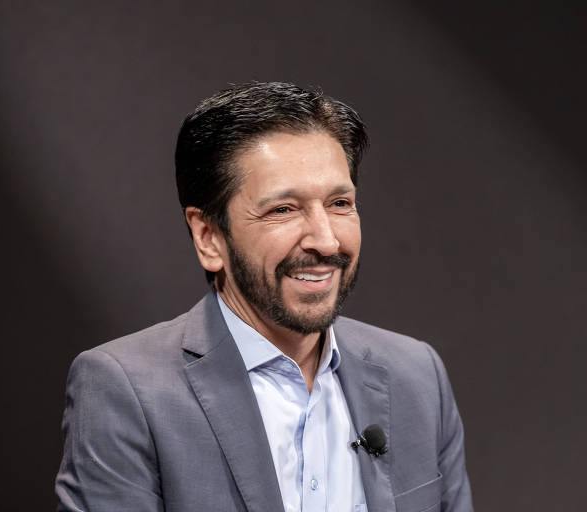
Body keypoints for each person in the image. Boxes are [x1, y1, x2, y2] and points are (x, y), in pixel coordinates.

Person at [55, 81, 473, 511]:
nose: (326, 242)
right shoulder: (127, 390)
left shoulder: (417, 375)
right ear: (209, 237)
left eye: (340, 203)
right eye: (283, 209)